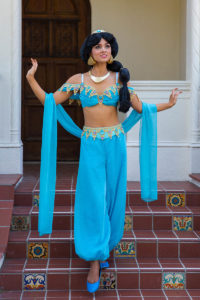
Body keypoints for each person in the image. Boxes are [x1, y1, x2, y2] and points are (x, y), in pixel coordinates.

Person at [26, 29, 182, 293]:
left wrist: (169, 104)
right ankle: (95, 262)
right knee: (94, 200)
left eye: (107, 46)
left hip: (115, 145)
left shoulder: (120, 80)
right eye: (98, 46)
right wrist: (31, 78)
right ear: (90, 52)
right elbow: (50, 102)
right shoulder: (79, 80)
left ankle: (102, 250)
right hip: (91, 146)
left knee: (111, 199)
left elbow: (142, 109)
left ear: (112, 52)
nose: (103, 49)